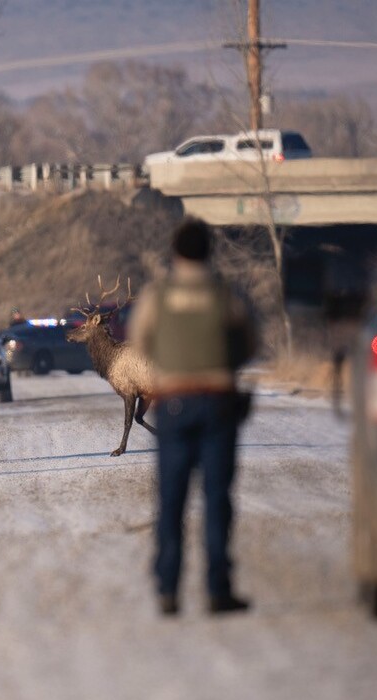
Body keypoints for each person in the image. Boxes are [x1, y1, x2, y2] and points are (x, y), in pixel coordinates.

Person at [128, 218, 258, 616]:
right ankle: (218, 588)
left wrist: (170, 365)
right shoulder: (226, 294)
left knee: (172, 499)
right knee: (217, 498)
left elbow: (139, 342)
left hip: (174, 404)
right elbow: (250, 341)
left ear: (175, 252)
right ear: (209, 251)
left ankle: (169, 588)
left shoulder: (157, 296)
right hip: (218, 403)